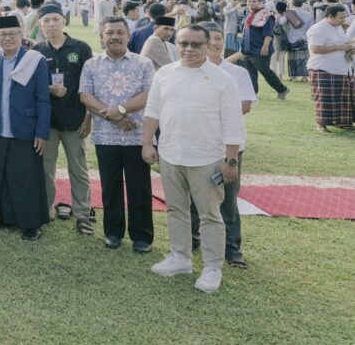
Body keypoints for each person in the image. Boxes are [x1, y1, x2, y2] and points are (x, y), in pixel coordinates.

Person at [142, 25, 245, 294]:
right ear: (175, 44)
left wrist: (231, 161)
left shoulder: (222, 79)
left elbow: (234, 124)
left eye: (195, 44)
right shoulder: (165, 74)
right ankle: (180, 257)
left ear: (209, 45)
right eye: (183, 43)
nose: (188, 49)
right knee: (176, 209)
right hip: (170, 154)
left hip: (207, 159)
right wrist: (147, 143)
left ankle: (212, 268)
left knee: (210, 214)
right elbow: (152, 111)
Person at [80, 17, 156, 252]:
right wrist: (113, 116)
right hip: (106, 135)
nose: (114, 37)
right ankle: (113, 232)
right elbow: (85, 95)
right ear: (101, 36)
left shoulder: (143, 63)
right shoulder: (91, 64)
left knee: (138, 186)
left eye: (120, 32)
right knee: (110, 185)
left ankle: (141, 236)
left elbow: (149, 94)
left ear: (128, 35)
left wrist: (121, 110)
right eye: (109, 32)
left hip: (136, 135)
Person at [0, 15, 50, 241]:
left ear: (21, 35)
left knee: (26, 177)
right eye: (3, 35)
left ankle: (30, 224)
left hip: (26, 129)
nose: (7, 39)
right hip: (0, 129)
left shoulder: (35, 60)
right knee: (1, 175)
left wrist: (41, 131)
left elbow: (43, 99)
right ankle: (2, 217)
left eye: (12, 34)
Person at [192, 22, 256, 269]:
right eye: (211, 38)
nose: (216, 43)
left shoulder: (236, 72)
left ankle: (232, 248)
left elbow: (245, 105)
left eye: (219, 38)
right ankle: (193, 239)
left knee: (228, 199)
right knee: (194, 196)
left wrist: (210, 115)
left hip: (229, 145)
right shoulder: (188, 71)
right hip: (198, 143)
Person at [35, 4, 94, 234]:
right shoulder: (37, 50)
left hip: (74, 120)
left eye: (55, 19)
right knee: (45, 168)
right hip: (48, 122)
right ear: (40, 25)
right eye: (46, 21)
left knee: (78, 168)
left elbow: (90, 86)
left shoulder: (80, 48)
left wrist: (88, 118)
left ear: (64, 22)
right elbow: (32, 86)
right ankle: (46, 209)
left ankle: (82, 214)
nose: (51, 24)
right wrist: (49, 89)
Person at [305, 4, 355, 133]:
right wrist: (341, 48)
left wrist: (349, 47)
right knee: (324, 98)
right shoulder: (318, 29)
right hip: (323, 68)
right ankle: (321, 125)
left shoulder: (338, 27)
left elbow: (342, 43)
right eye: (341, 17)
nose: (343, 20)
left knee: (343, 97)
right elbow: (315, 49)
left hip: (341, 68)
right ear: (330, 17)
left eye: (345, 17)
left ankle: (342, 122)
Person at [240, 0, 290, 99]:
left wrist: (265, 46)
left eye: (254, 1)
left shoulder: (266, 15)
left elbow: (268, 33)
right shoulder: (249, 14)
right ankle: (252, 93)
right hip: (247, 49)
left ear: (260, 2)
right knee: (250, 73)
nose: (251, 3)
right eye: (249, 1)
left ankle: (282, 89)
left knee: (265, 71)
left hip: (260, 49)